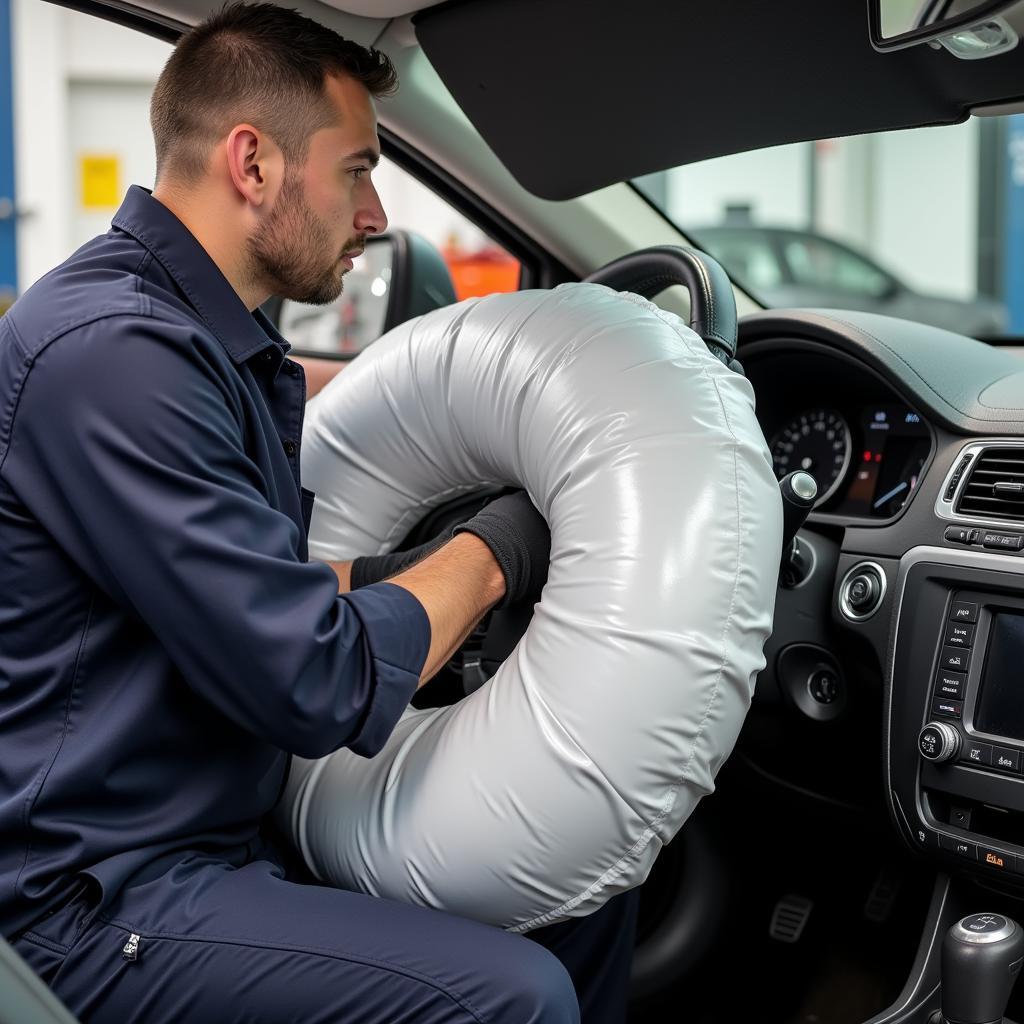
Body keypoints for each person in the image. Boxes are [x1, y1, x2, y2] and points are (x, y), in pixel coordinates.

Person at [0, 2, 639, 1021]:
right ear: (252, 164)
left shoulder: (196, 340)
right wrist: (498, 548)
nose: (377, 213)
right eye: (356, 169)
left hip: (199, 837)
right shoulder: (115, 354)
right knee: (513, 997)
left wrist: (406, 569)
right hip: (95, 895)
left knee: (579, 892)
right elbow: (310, 673)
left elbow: (258, 584)